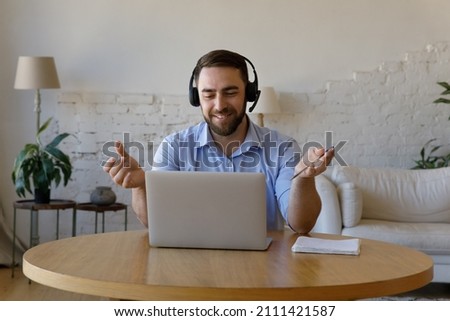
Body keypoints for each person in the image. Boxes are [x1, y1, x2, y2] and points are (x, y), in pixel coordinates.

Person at [103, 49, 334, 234]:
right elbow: (154, 223)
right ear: (197, 98)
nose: (220, 104)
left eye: (230, 92)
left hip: (263, 269)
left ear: (250, 93)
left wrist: (304, 179)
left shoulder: (282, 147)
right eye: (209, 94)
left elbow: (301, 225)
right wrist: (141, 187)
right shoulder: (173, 147)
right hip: (188, 266)